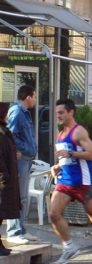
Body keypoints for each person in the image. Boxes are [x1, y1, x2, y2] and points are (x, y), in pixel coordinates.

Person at [49, 98, 92, 264]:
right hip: (65, 181)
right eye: (57, 112)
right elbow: (64, 157)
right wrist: (57, 166)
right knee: (53, 213)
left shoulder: (79, 132)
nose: (58, 116)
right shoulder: (60, 134)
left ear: (71, 112)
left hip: (83, 183)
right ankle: (69, 246)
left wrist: (71, 154)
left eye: (61, 113)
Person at [6, 85, 38, 245]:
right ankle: (13, 231)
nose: (35, 100)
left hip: (26, 159)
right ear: (28, 97)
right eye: (35, 96)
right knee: (17, 196)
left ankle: (21, 229)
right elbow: (10, 134)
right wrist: (23, 148)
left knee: (23, 197)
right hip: (21, 159)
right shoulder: (17, 112)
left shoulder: (24, 113)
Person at [0, 103, 21, 256]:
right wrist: (4, 176)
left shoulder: (4, 131)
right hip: (2, 181)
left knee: (2, 214)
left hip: (6, 180)